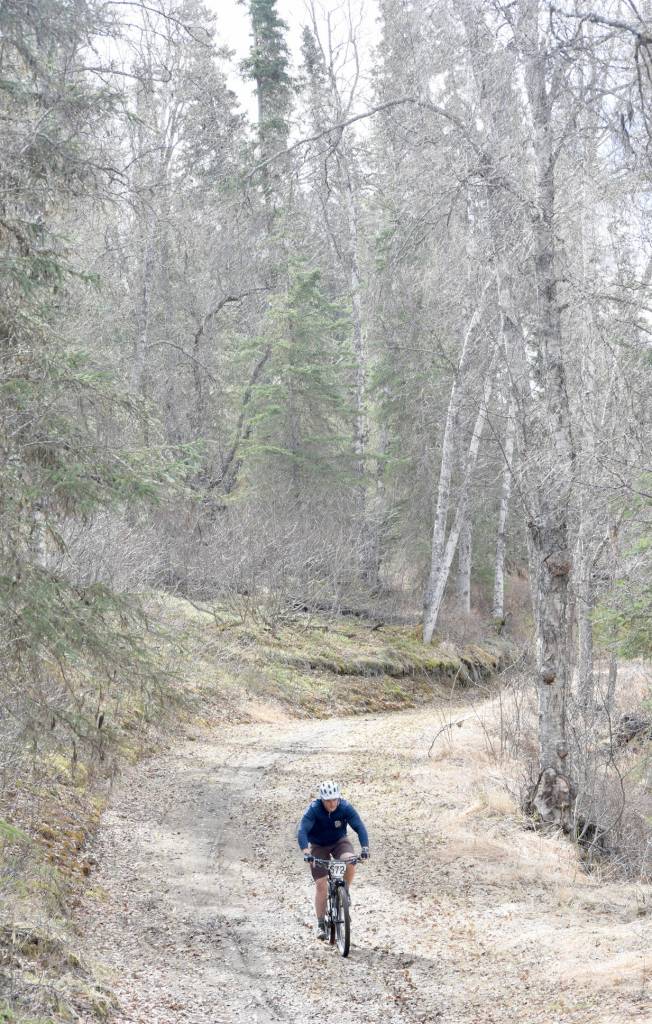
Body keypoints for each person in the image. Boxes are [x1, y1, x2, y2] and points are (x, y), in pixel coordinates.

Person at [297, 780, 369, 940]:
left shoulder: (344, 807)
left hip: (339, 842)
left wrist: (365, 848)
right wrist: (306, 851)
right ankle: (321, 923)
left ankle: (345, 891)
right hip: (318, 845)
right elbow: (302, 830)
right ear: (322, 799)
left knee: (351, 861)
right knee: (321, 884)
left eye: (335, 799)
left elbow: (359, 826)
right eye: (328, 800)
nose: (332, 803)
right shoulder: (314, 809)